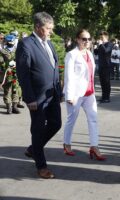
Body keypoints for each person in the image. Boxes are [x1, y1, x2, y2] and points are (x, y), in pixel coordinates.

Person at [16, 12, 62, 179]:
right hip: (37, 97)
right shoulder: (26, 44)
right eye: (47, 28)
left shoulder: (49, 43)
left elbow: (55, 67)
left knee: (56, 123)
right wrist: (29, 98)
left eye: (51, 28)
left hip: (53, 94)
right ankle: (41, 166)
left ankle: (33, 149)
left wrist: (59, 91)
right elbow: (23, 73)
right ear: (37, 27)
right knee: (38, 128)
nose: (51, 31)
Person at [63, 29, 106, 160]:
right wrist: (70, 96)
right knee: (72, 119)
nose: (87, 41)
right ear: (77, 39)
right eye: (84, 39)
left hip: (90, 93)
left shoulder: (89, 53)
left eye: (89, 39)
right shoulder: (72, 54)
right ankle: (67, 144)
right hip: (76, 94)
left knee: (93, 119)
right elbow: (69, 76)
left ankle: (94, 146)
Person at [0, 34, 22, 114]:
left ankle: (15, 106)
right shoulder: (3, 51)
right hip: (7, 74)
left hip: (16, 73)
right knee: (7, 90)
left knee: (15, 90)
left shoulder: (17, 50)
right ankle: (9, 107)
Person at [97, 31, 113, 103]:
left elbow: (106, 51)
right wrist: (96, 47)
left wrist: (101, 45)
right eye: (100, 37)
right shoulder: (101, 45)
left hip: (107, 66)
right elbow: (96, 52)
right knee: (102, 82)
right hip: (101, 66)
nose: (101, 38)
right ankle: (103, 96)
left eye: (102, 37)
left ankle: (107, 98)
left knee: (106, 82)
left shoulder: (110, 44)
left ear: (106, 37)